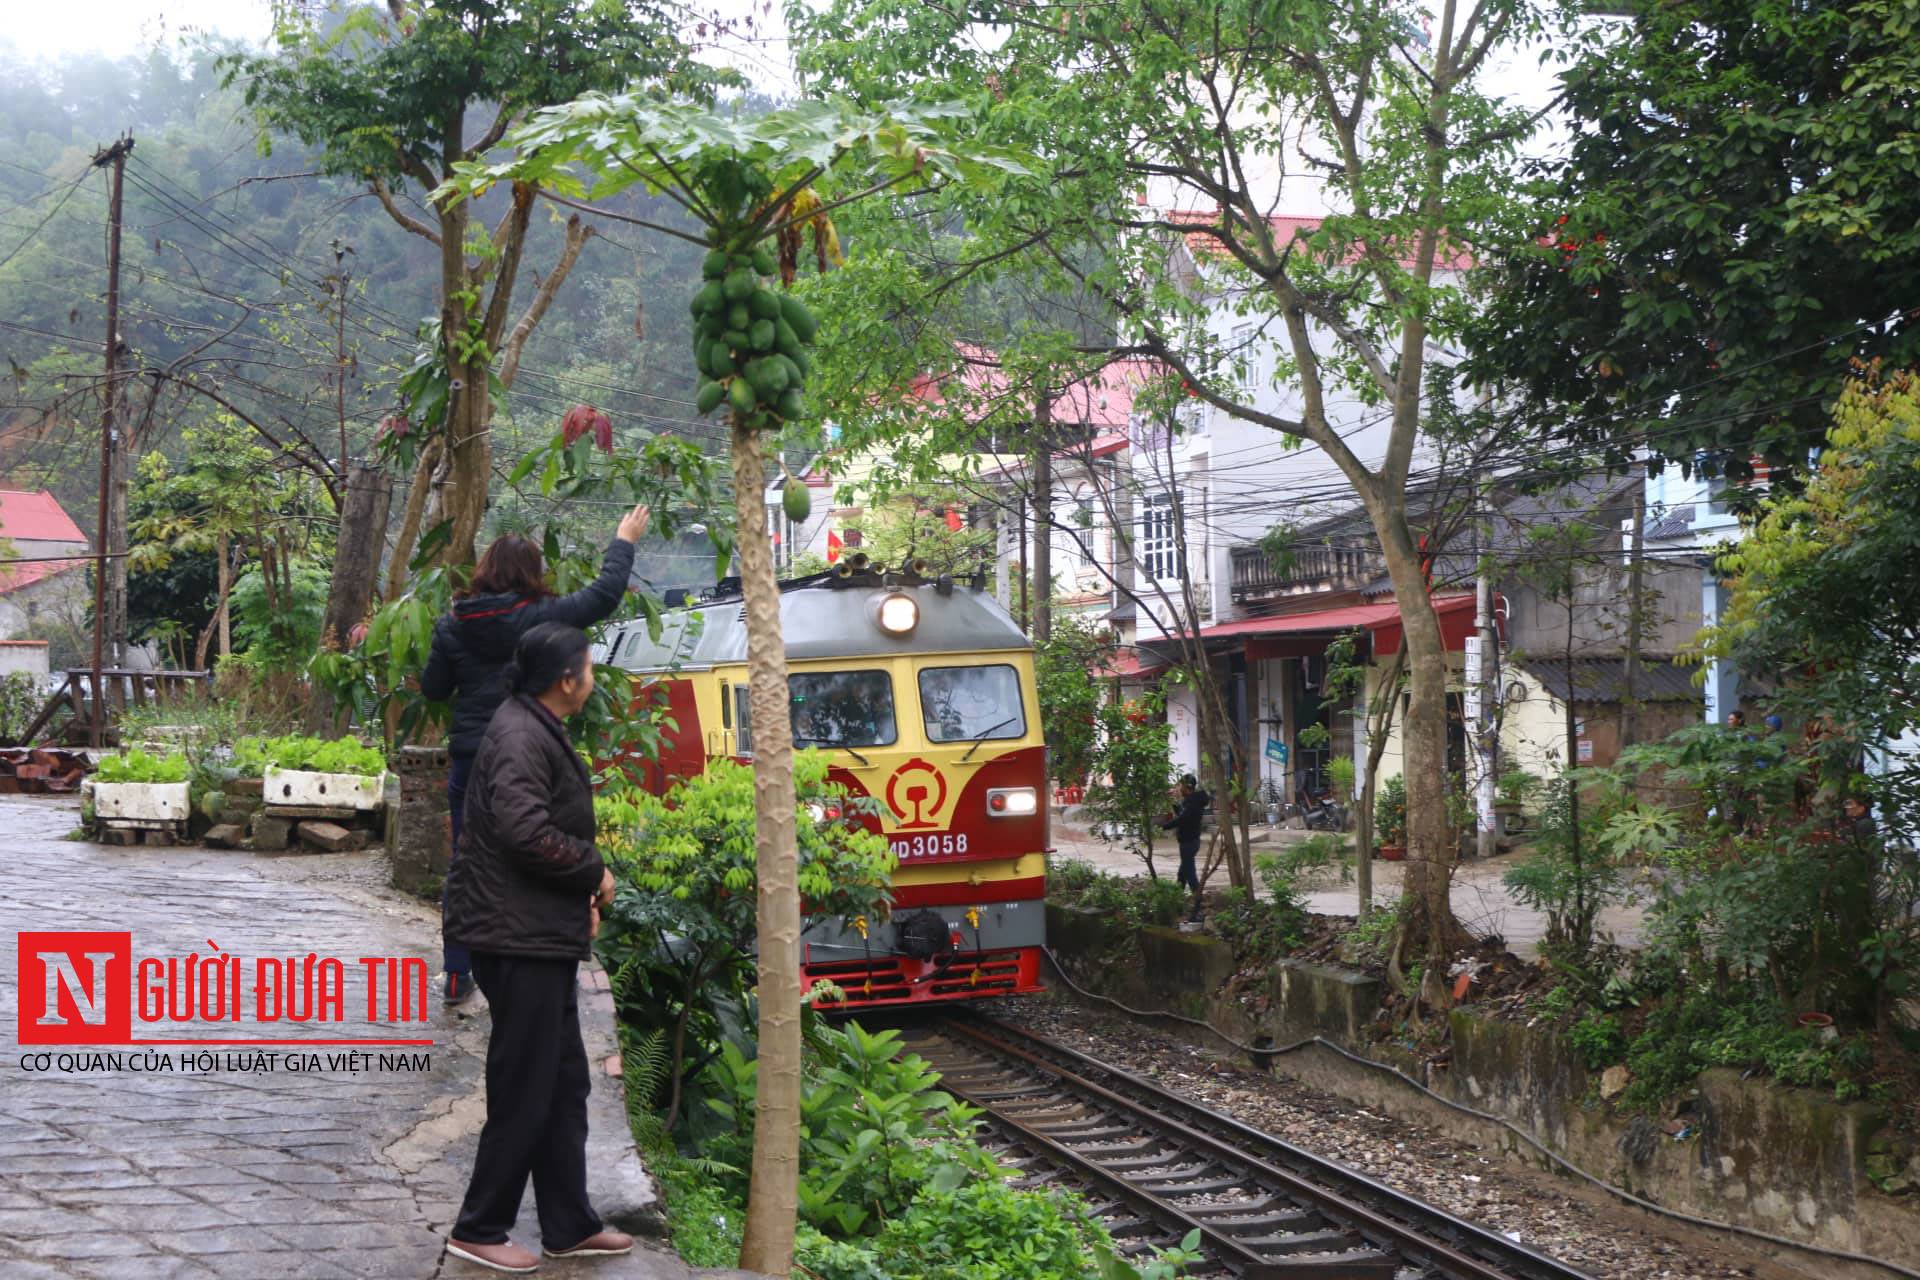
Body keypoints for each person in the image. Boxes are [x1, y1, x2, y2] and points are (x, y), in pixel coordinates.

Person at [442, 623, 630, 1274]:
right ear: (566, 680)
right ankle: (479, 1227)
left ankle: (568, 1223)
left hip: (534, 932)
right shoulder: (522, 733)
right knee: (524, 1085)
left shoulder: (530, 723)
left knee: (563, 1081)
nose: (593, 676)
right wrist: (593, 872)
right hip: (514, 938)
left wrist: (575, 896)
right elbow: (526, 832)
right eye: (588, 666)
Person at [421, 504, 648, 1005]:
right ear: (531, 574)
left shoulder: (453, 623)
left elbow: (434, 689)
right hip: (530, 750)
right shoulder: (540, 617)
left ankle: (459, 973)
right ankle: (539, 963)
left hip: (469, 757)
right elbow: (603, 595)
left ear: (484, 570)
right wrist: (624, 538)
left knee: (468, 860)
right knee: (538, 851)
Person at [1159, 773, 1209, 920]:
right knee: (1182, 874)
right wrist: (1174, 802)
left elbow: (1181, 819)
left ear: (1187, 788)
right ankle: (1177, 901)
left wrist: (1162, 827)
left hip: (1188, 843)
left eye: (1181, 785)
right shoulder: (1191, 801)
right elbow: (1182, 813)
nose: (1179, 788)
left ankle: (1198, 906)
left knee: (1191, 875)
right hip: (1190, 841)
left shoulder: (1192, 803)